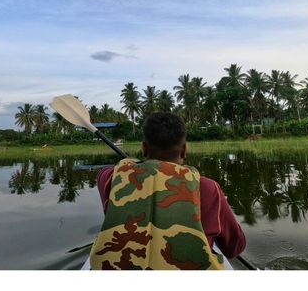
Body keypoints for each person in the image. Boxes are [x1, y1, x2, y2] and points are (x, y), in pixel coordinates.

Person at [90, 112, 246, 270]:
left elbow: (105, 171)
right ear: (185, 150)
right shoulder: (208, 188)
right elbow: (235, 248)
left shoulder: (111, 179)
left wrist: (134, 164)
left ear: (144, 149)